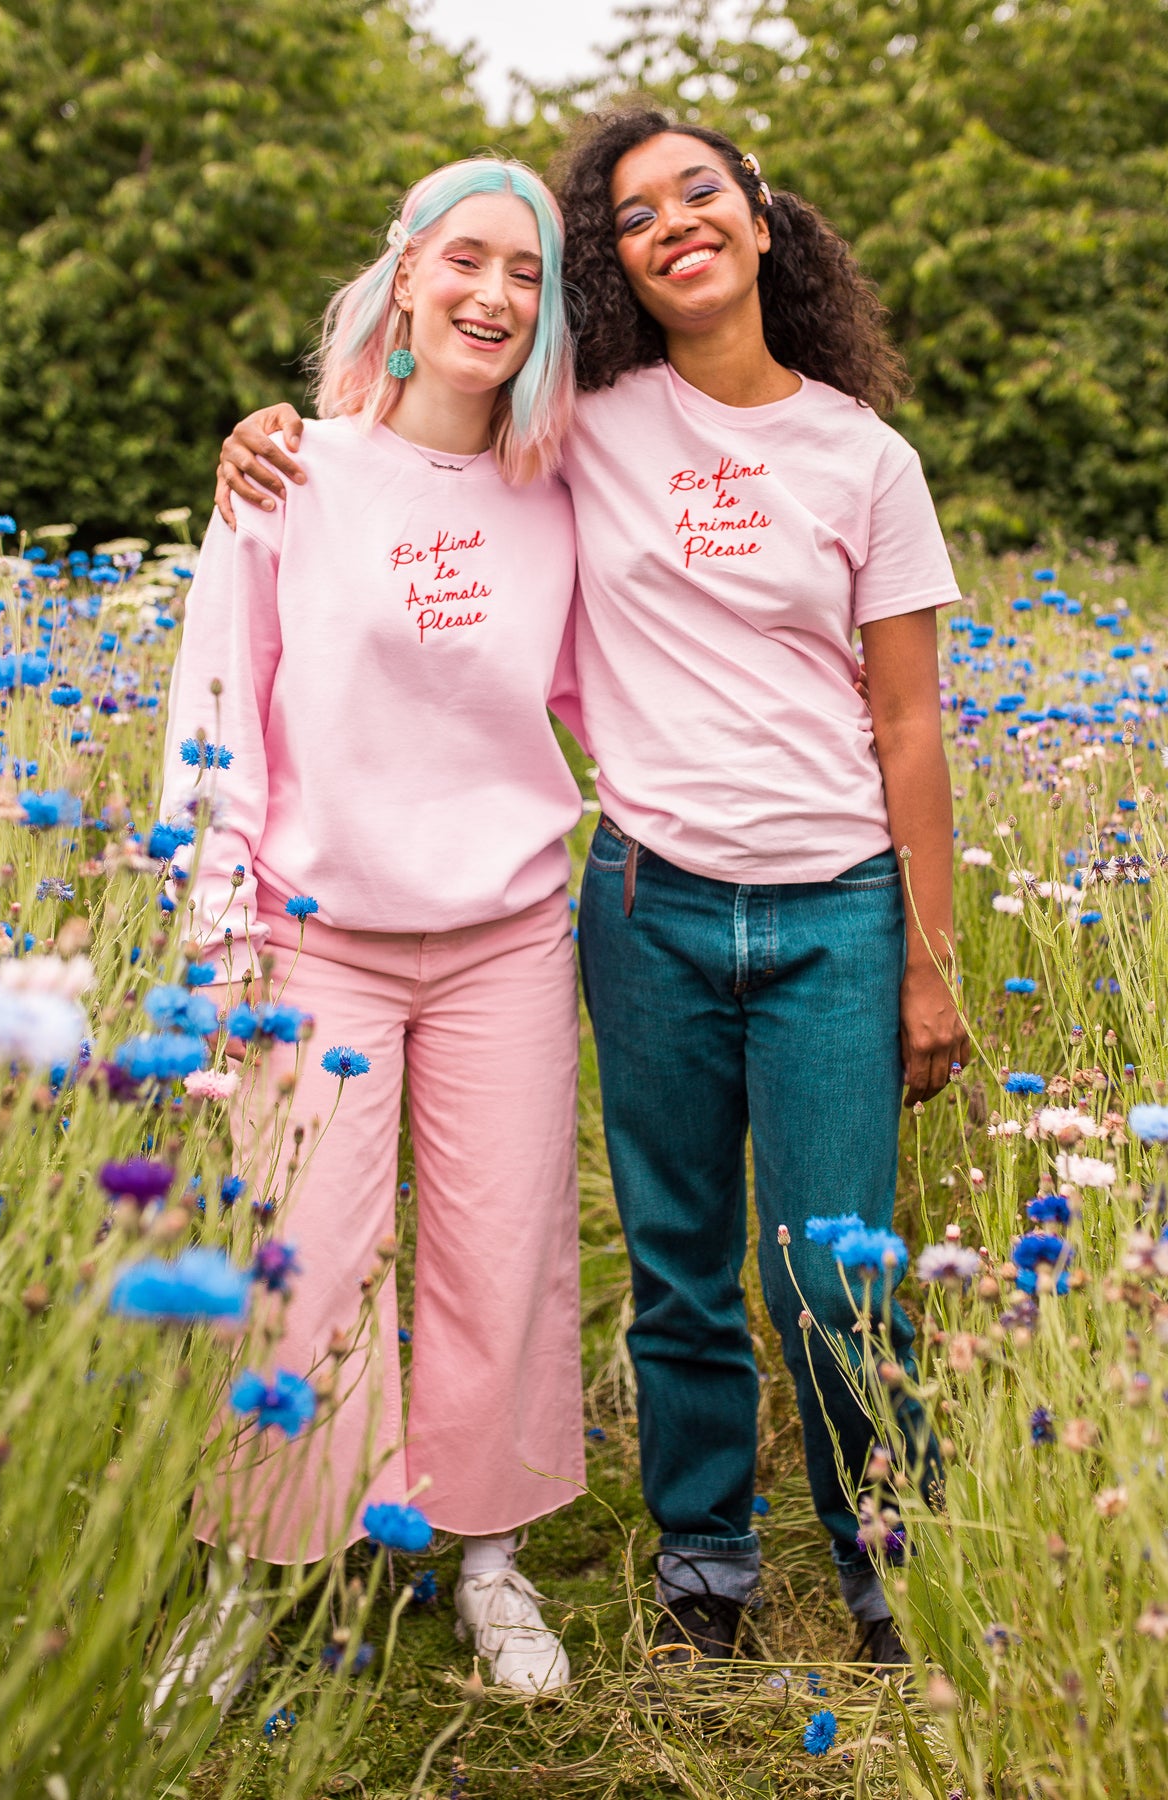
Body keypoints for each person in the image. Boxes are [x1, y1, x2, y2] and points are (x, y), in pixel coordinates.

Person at [215, 106, 971, 1674]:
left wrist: (931, 953)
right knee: (653, 1258)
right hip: (609, 906)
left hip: (773, 907)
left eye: (701, 192)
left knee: (816, 1258)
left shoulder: (800, 458)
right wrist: (274, 430)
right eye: (630, 215)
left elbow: (899, 715)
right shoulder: (521, 441)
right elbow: (312, 592)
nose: (674, 223)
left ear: (764, 220)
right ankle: (668, 1551)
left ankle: (874, 1549)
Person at [159, 156, 586, 1705]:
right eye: (465, 259)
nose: (493, 294)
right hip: (311, 933)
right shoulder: (289, 480)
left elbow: (615, 690)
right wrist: (217, 935)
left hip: (506, 935)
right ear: (404, 274)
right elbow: (219, 706)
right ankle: (257, 1563)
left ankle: (487, 1556)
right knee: (305, 1258)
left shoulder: (562, 494)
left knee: (504, 1247)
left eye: (526, 272)